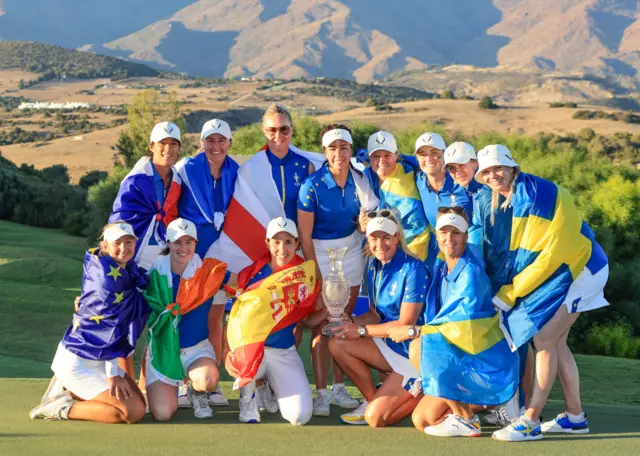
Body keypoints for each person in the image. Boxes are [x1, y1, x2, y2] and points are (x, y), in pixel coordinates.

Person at [473, 145, 609, 442]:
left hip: (583, 269)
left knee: (543, 338)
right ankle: (575, 418)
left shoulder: (540, 196)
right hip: (565, 269)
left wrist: (511, 293)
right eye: (487, 171)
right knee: (557, 343)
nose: (494, 175)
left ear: (512, 168)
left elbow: (551, 257)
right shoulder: (503, 197)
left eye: (498, 168)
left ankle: (531, 420)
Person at [388, 209, 518, 437]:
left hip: (479, 357)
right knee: (422, 420)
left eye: (456, 232)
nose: (449, 239)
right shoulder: (441, 265)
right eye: (444, 233)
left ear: (466, 236)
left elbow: (459, 325)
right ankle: (481, 406)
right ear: (436, 236)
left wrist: (413, 330)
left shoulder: (471, 272)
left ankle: (468, 418)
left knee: (419, 346)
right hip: (457, 353)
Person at [29, 223, 149, 424]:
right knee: (132, 413)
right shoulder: (109, 281)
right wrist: (113, 375)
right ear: (105, 245)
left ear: (135, 243)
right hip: (79, 361)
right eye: (117, 243)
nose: (123, 248)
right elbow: (110, 332)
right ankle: (59, 407)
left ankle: (65, 389)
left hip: (98, 358)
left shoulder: (123, 270)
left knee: (139, 403)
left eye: (128, 242)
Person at [297, 124, 376, 416]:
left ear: (350, 150)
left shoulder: (361, 180)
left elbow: (366, 219)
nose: (339, 153)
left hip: (352, 251)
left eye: (344, 147)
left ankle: (339, 389)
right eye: (333, 148)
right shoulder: (312, 185)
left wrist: (365, 225)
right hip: (318, 251)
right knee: (321, 322)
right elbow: (304, 236)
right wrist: (314, 275)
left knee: (343, 319)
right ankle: (320, 392)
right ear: (324, 151)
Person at [329, 211, 427, 427]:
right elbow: (375, 314)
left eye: (386, 238)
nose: (379, 244)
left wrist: (361, 331)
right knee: (337, 343)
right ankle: (372, 399)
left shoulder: (414, 268)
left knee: (375, 419)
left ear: (397, 238)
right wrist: (350, 323)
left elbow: (405, 324)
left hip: (413, 353)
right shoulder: (373, 265)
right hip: (388, 344)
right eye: (374, 238)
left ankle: (426, 391)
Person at [175, 119, 239, 406]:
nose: (215, 146)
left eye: (221, 140)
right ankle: (180, 382)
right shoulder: (186, 169)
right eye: (209, 140)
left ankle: (211, 387)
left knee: (215, 320)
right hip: (190, 256)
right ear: (202, 142)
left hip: (221, 257)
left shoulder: (237, 172)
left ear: (229, 143)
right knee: (185, 317)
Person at [227, 217, 315, 426]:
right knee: (244, 351)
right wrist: (228, 352)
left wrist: (333, 314)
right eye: (276, 242)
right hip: (252, 349)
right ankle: (248, 400)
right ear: (267, 243)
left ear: (297, 244)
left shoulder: (303, 273)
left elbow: (309, 318)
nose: (282, 248)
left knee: (299, 417)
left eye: (288, 242)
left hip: (283, 352)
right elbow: (236, 315)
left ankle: (267, 387)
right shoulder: (254, 272)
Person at [143, 218, 227, 421]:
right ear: (168, 243)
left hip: (196, 351)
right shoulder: (152, 275)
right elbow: (122, 292)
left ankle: (197, 392)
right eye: (177, 242)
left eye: (189, 242)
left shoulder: (208, 272)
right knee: (163, 414)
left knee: (208, 379)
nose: (183, 248)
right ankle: (172, 387)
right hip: (163, 351)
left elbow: (244, 283)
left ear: (196, 244)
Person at [364, 131, 433, 264]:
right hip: (378, 250)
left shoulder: (405, 183)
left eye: (387, 155)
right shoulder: (366, 178)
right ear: (369, 158)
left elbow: (416, 228)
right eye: (376, 156)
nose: (381, 161)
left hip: (411, 253)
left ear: (396, 155)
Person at [413, 132, 457, 228]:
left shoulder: (459, 180)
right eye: (423, 154)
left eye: (434, 153)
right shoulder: (418, 180)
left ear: (445, 154)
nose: (428, 159)